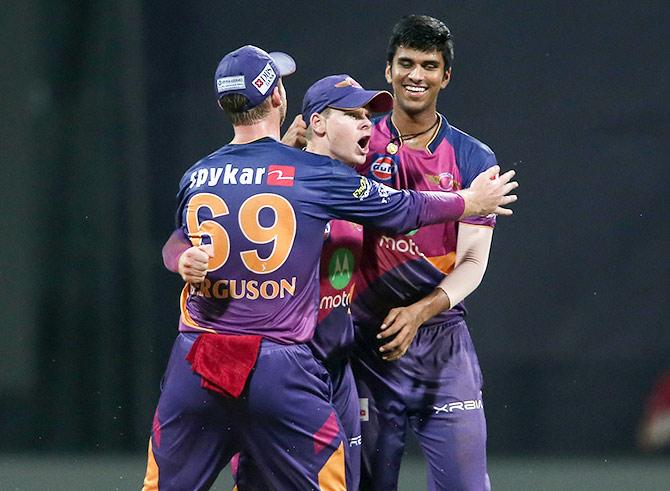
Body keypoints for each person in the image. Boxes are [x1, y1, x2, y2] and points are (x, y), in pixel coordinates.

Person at [144, 45, 516, 490]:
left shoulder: (200, 173)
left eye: (367, 115)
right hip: (289, 362)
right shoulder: (318, 179)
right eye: (353, 114)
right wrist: (468, 202)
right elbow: (402, 208)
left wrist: (181, 257)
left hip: (318, 361)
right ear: (289, 105)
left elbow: (182, 236)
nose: (368, 124)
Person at [350, 15, 508, 490]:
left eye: (428, 65)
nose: (415, 75)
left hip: (441, 343)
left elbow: (473, 262)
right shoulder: (357, 143)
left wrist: (420, 311)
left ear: (446, 76)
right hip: (367, 346)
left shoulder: (474, 159)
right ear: (388, 70)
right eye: (406, 63)